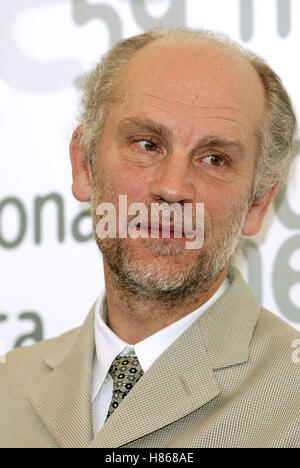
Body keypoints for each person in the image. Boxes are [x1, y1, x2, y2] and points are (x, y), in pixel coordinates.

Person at [0, 27, 299, 449]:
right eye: (147, 144)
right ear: (84, 165)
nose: (173, 187)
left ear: (257, 203)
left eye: (215, 158)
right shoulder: (7, 387)